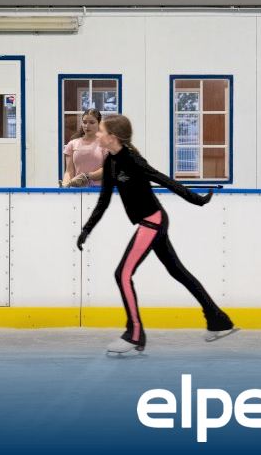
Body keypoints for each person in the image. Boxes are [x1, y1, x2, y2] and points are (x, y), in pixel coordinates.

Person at [76, 114, 236, 355]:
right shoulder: (110, 162)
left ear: (113, 137)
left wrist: (197, 199)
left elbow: (164, 180)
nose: (97, 134)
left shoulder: (133, 160)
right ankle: (219, 320)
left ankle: (134, 334)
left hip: (153, 221)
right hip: (150, 221)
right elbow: (104, 200)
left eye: (101, 131)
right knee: (178, 271)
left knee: (122, 274)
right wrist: (86, 230)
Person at [62, 109, 106, 187]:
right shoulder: (72, 144)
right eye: (84, 122)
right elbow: (69, 171)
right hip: (77, 190)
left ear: (99, 124)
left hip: (99, 190)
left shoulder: (105, 144)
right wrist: (65, 186)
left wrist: (87, 176)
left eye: (92, 122)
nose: (87, 126)